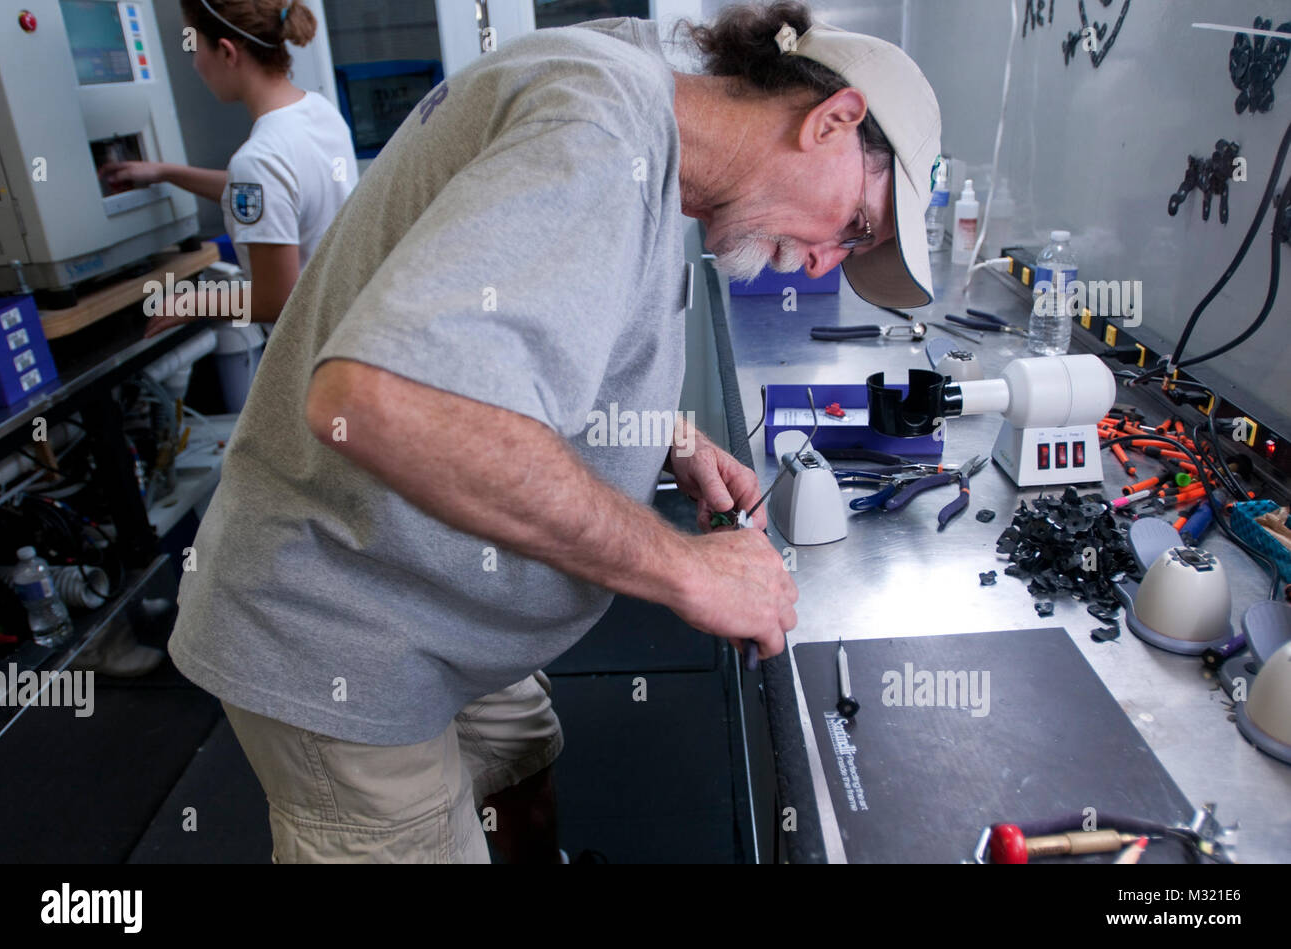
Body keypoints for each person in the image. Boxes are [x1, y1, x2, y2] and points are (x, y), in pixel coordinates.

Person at [167, 0, 941, 863]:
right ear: (833, 120)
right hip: (347, 617)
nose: (827, 261)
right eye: (857, 226)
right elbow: (389, 401)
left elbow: (536, 327)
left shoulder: (659, 100)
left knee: (521, 765)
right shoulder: (603, 127)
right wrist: (685, 568)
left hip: (451, 598)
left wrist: (662, 433)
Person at [100, 0, 357, 337]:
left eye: (195, 47)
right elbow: (275, 195)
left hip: (308, 354)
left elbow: (278, 299)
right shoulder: (318, 111)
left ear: (226, 52)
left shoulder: (259, 159)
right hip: (345, 331)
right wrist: (166, 172)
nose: (194, 64)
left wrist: (191, 303)